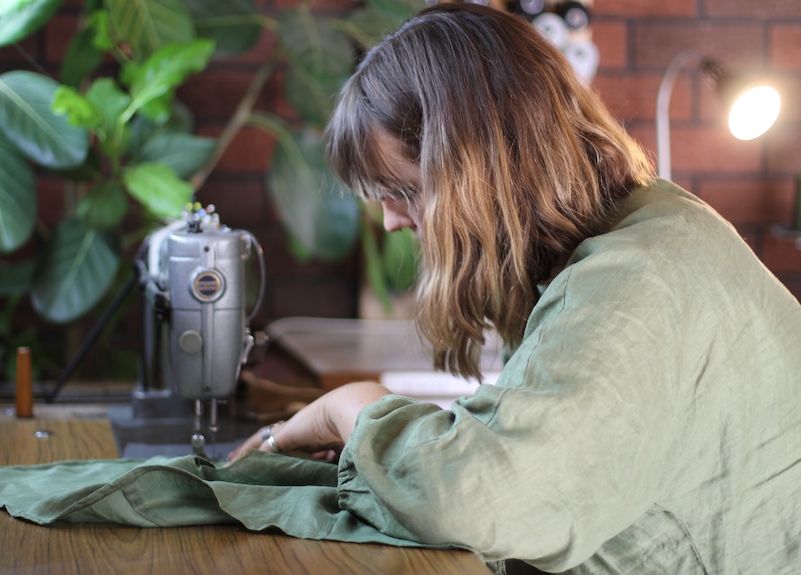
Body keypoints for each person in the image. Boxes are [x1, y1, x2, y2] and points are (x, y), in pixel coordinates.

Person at [229, 3, 801, 573]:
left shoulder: (638, 277)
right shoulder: (638, 235)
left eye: (403, 190)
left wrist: (349, 410)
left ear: (480, 171)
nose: (391, 222)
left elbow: (484, 496)